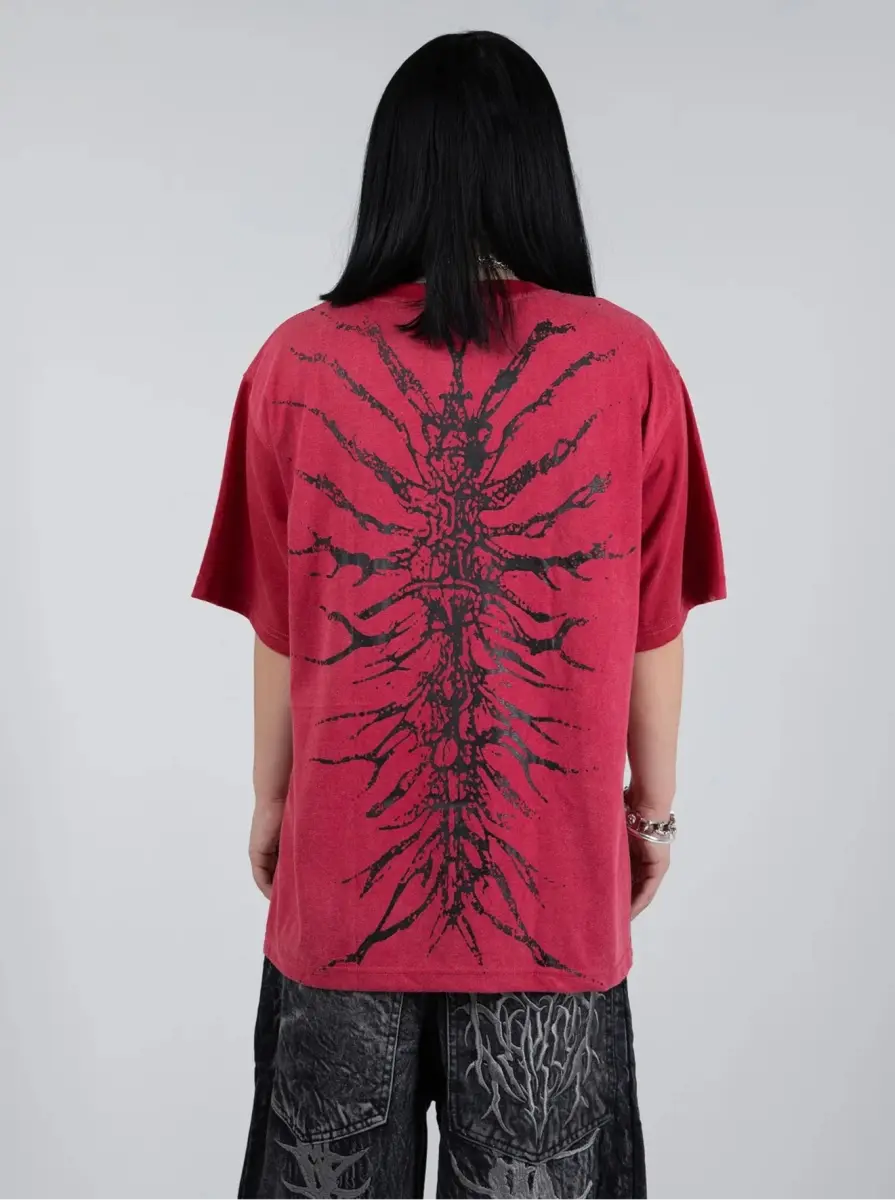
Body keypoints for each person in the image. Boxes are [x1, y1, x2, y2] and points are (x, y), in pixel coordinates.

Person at [193, 29, 725, 1200]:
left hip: (340, 900)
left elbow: (280, 622)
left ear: (395, 172)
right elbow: (654, 624)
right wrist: (654, 812)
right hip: (551, 905)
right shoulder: (629, 363)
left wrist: (274, 800)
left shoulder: (293, 364)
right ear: (541, 173)